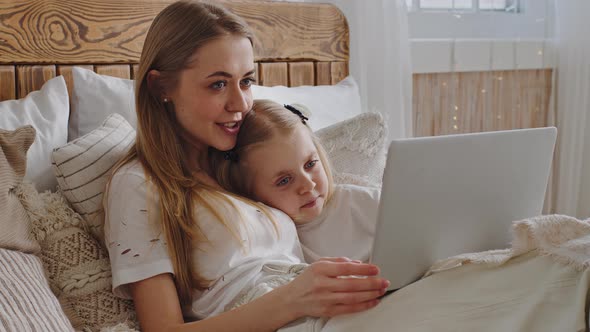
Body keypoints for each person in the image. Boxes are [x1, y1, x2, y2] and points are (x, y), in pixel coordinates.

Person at [103, 1, 390, 331]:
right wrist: (295, 298)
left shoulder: (242, 164)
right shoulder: (139, 184)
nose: (240, 104)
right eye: (218, 84)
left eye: (247, 81)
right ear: (161, 87)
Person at [211, 99, 381, 263]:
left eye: (310, 164)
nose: (309, 185)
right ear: (248, 193)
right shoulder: (268, 240)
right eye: (284, 181)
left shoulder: (362, 202)